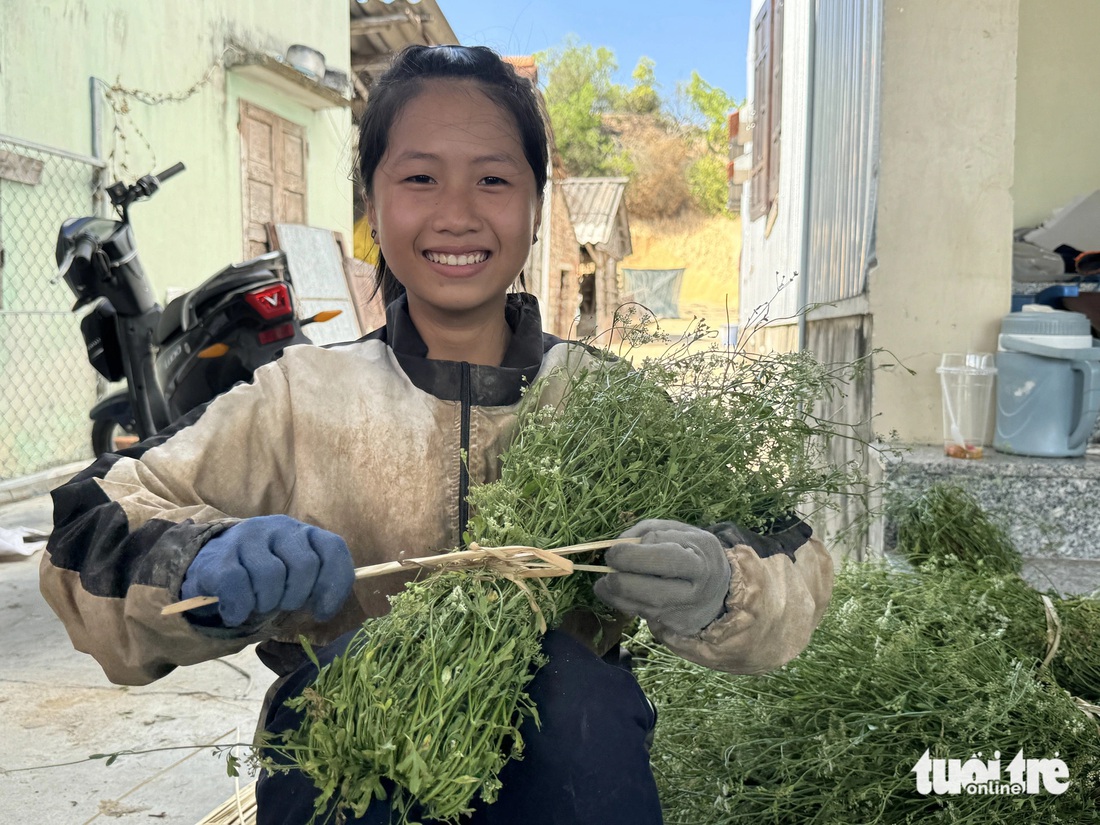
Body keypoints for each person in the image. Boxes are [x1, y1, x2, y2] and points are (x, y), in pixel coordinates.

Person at [40, 44, 833, 825]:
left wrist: (722, 586)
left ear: (534, 203)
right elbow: (88, 535)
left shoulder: (602, 402)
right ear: (373, 207)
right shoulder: (297, 399)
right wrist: (198, 563)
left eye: (493, 179)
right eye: (419, 177)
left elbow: (793, 559)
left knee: (563, 679)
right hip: (343, 774)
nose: (457, 212)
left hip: (573, 776)